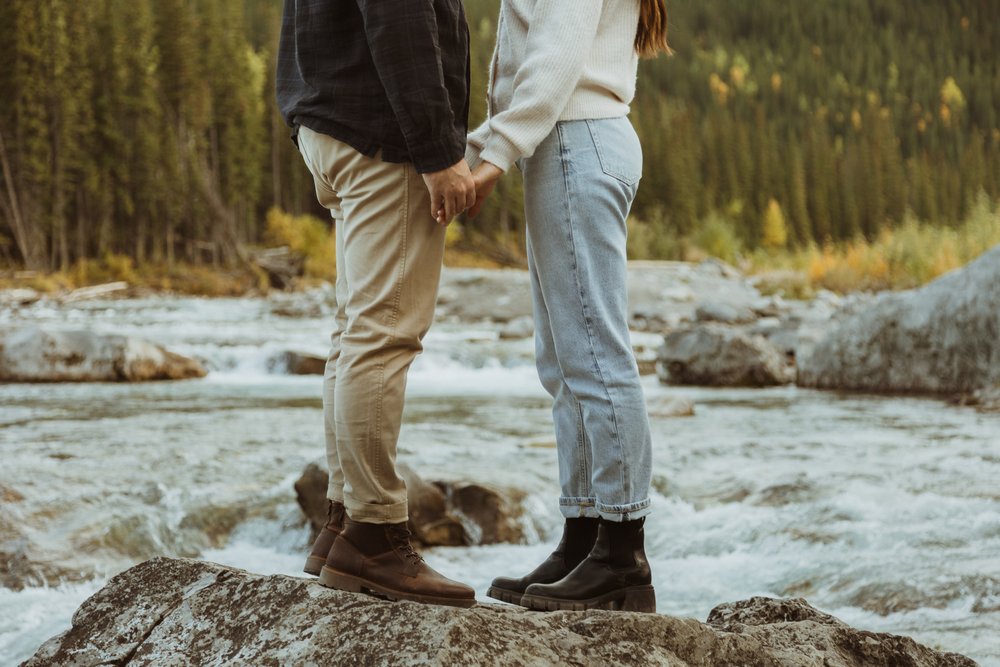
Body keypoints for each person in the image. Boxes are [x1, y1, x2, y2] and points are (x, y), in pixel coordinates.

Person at [466, 0, 671, 612]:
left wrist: (491, 154)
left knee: (595, 358)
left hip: (574, 141)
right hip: (569, 144)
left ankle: (622, 555)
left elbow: (555, 57)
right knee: (564, 363)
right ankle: (584, 537)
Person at [276, 0, 477, 608]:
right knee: (383, 333)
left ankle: (341, 522)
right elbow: (400, 19)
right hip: (381, 134)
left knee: (355, 330)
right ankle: (375, 534)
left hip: (333, 123)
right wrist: (439, 151)